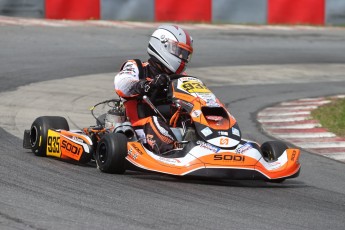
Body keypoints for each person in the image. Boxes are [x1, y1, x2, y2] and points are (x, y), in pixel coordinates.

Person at [114, 24, 193, 154]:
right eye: (179, 52)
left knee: (193, 117)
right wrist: (147, 85)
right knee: (155, 121)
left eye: (185, 54)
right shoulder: (138, 67)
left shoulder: (181, 78)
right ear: (162, 46)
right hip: (140, 125)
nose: (182, 57)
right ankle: (172, 152)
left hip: (172, 125)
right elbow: (122, 84)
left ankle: (217, 145)